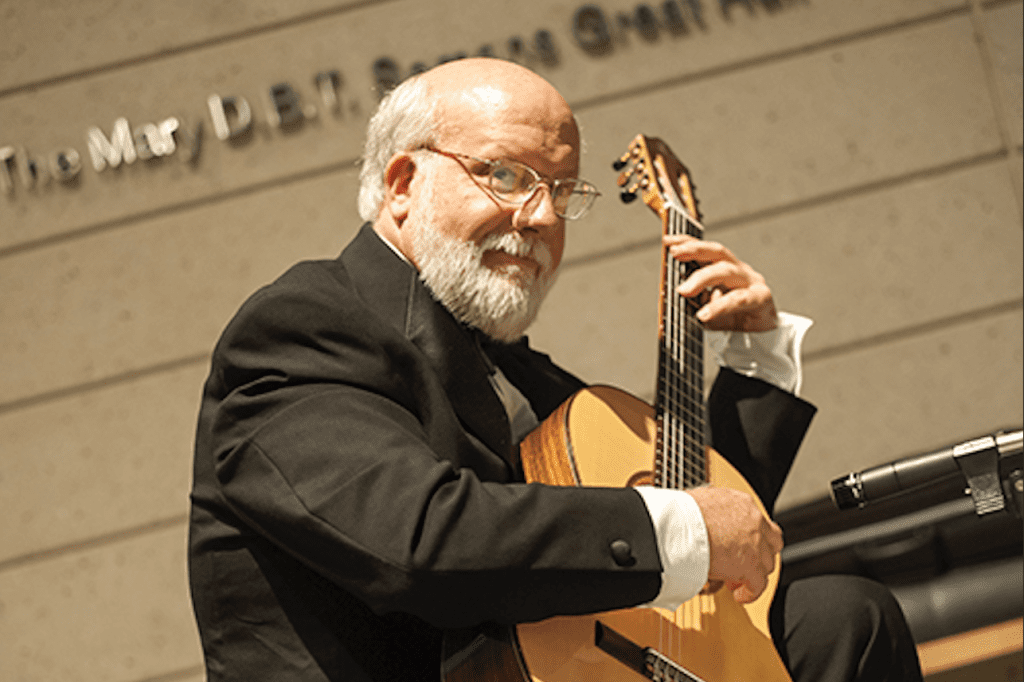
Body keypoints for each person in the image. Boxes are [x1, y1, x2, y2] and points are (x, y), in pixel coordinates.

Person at [188, 57, 922, 682]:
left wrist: (755, 359)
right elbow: (419, 542)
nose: (541, 216)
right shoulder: (304, 327)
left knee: (840, 621)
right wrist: (692, 528)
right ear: (404, 182)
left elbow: (682, 539)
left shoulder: (506, 362)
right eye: (505, 175)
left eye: (562, 190)